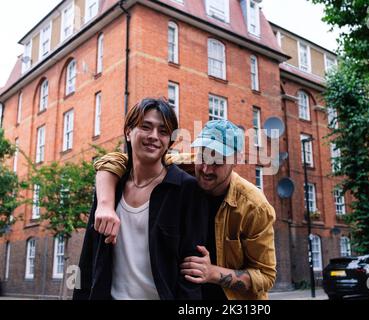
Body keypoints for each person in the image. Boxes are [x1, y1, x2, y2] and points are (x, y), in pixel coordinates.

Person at [93, 120, 277, 300]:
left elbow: (266, 276)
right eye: (202, 157)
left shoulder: (255, 207)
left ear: (236, 159)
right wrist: (105, 204)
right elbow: (115, 160)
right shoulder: (180, 167)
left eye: (218, 161)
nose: (206, 169)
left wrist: (213, 273)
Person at [73, 98, 208, 300]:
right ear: (128, 131)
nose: (154, 136)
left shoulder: (186, 189)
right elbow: (89, 256)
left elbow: (191, 271)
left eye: (163, 131)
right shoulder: (110, 187)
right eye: (146, 127)